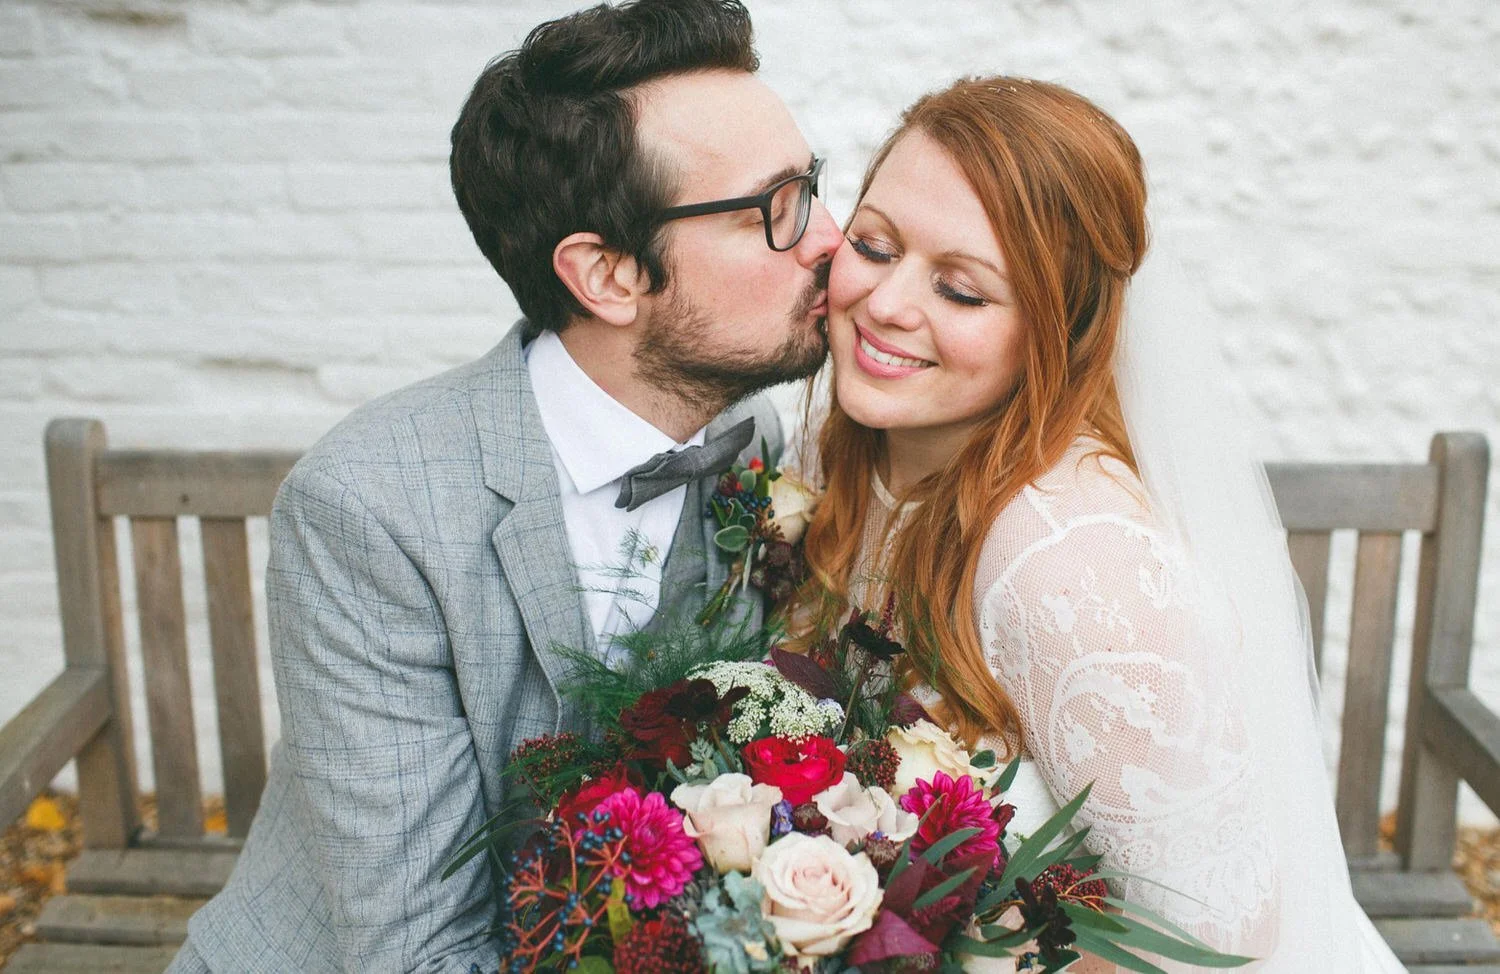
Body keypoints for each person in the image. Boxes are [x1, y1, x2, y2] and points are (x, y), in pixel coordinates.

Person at [167, 1, 841, 970]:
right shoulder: (370, 508)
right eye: (775, 207)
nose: (830, 236)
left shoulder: (746, 435)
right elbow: (415, 951)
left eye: (811, 186)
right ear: (606, 274)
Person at [792, 76, 1406, 971]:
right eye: (875, 245)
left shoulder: (1071, 566)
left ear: (1057, 328)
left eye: (961, 291)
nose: (887, 303)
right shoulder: (842, 448)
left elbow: (1220, 944)